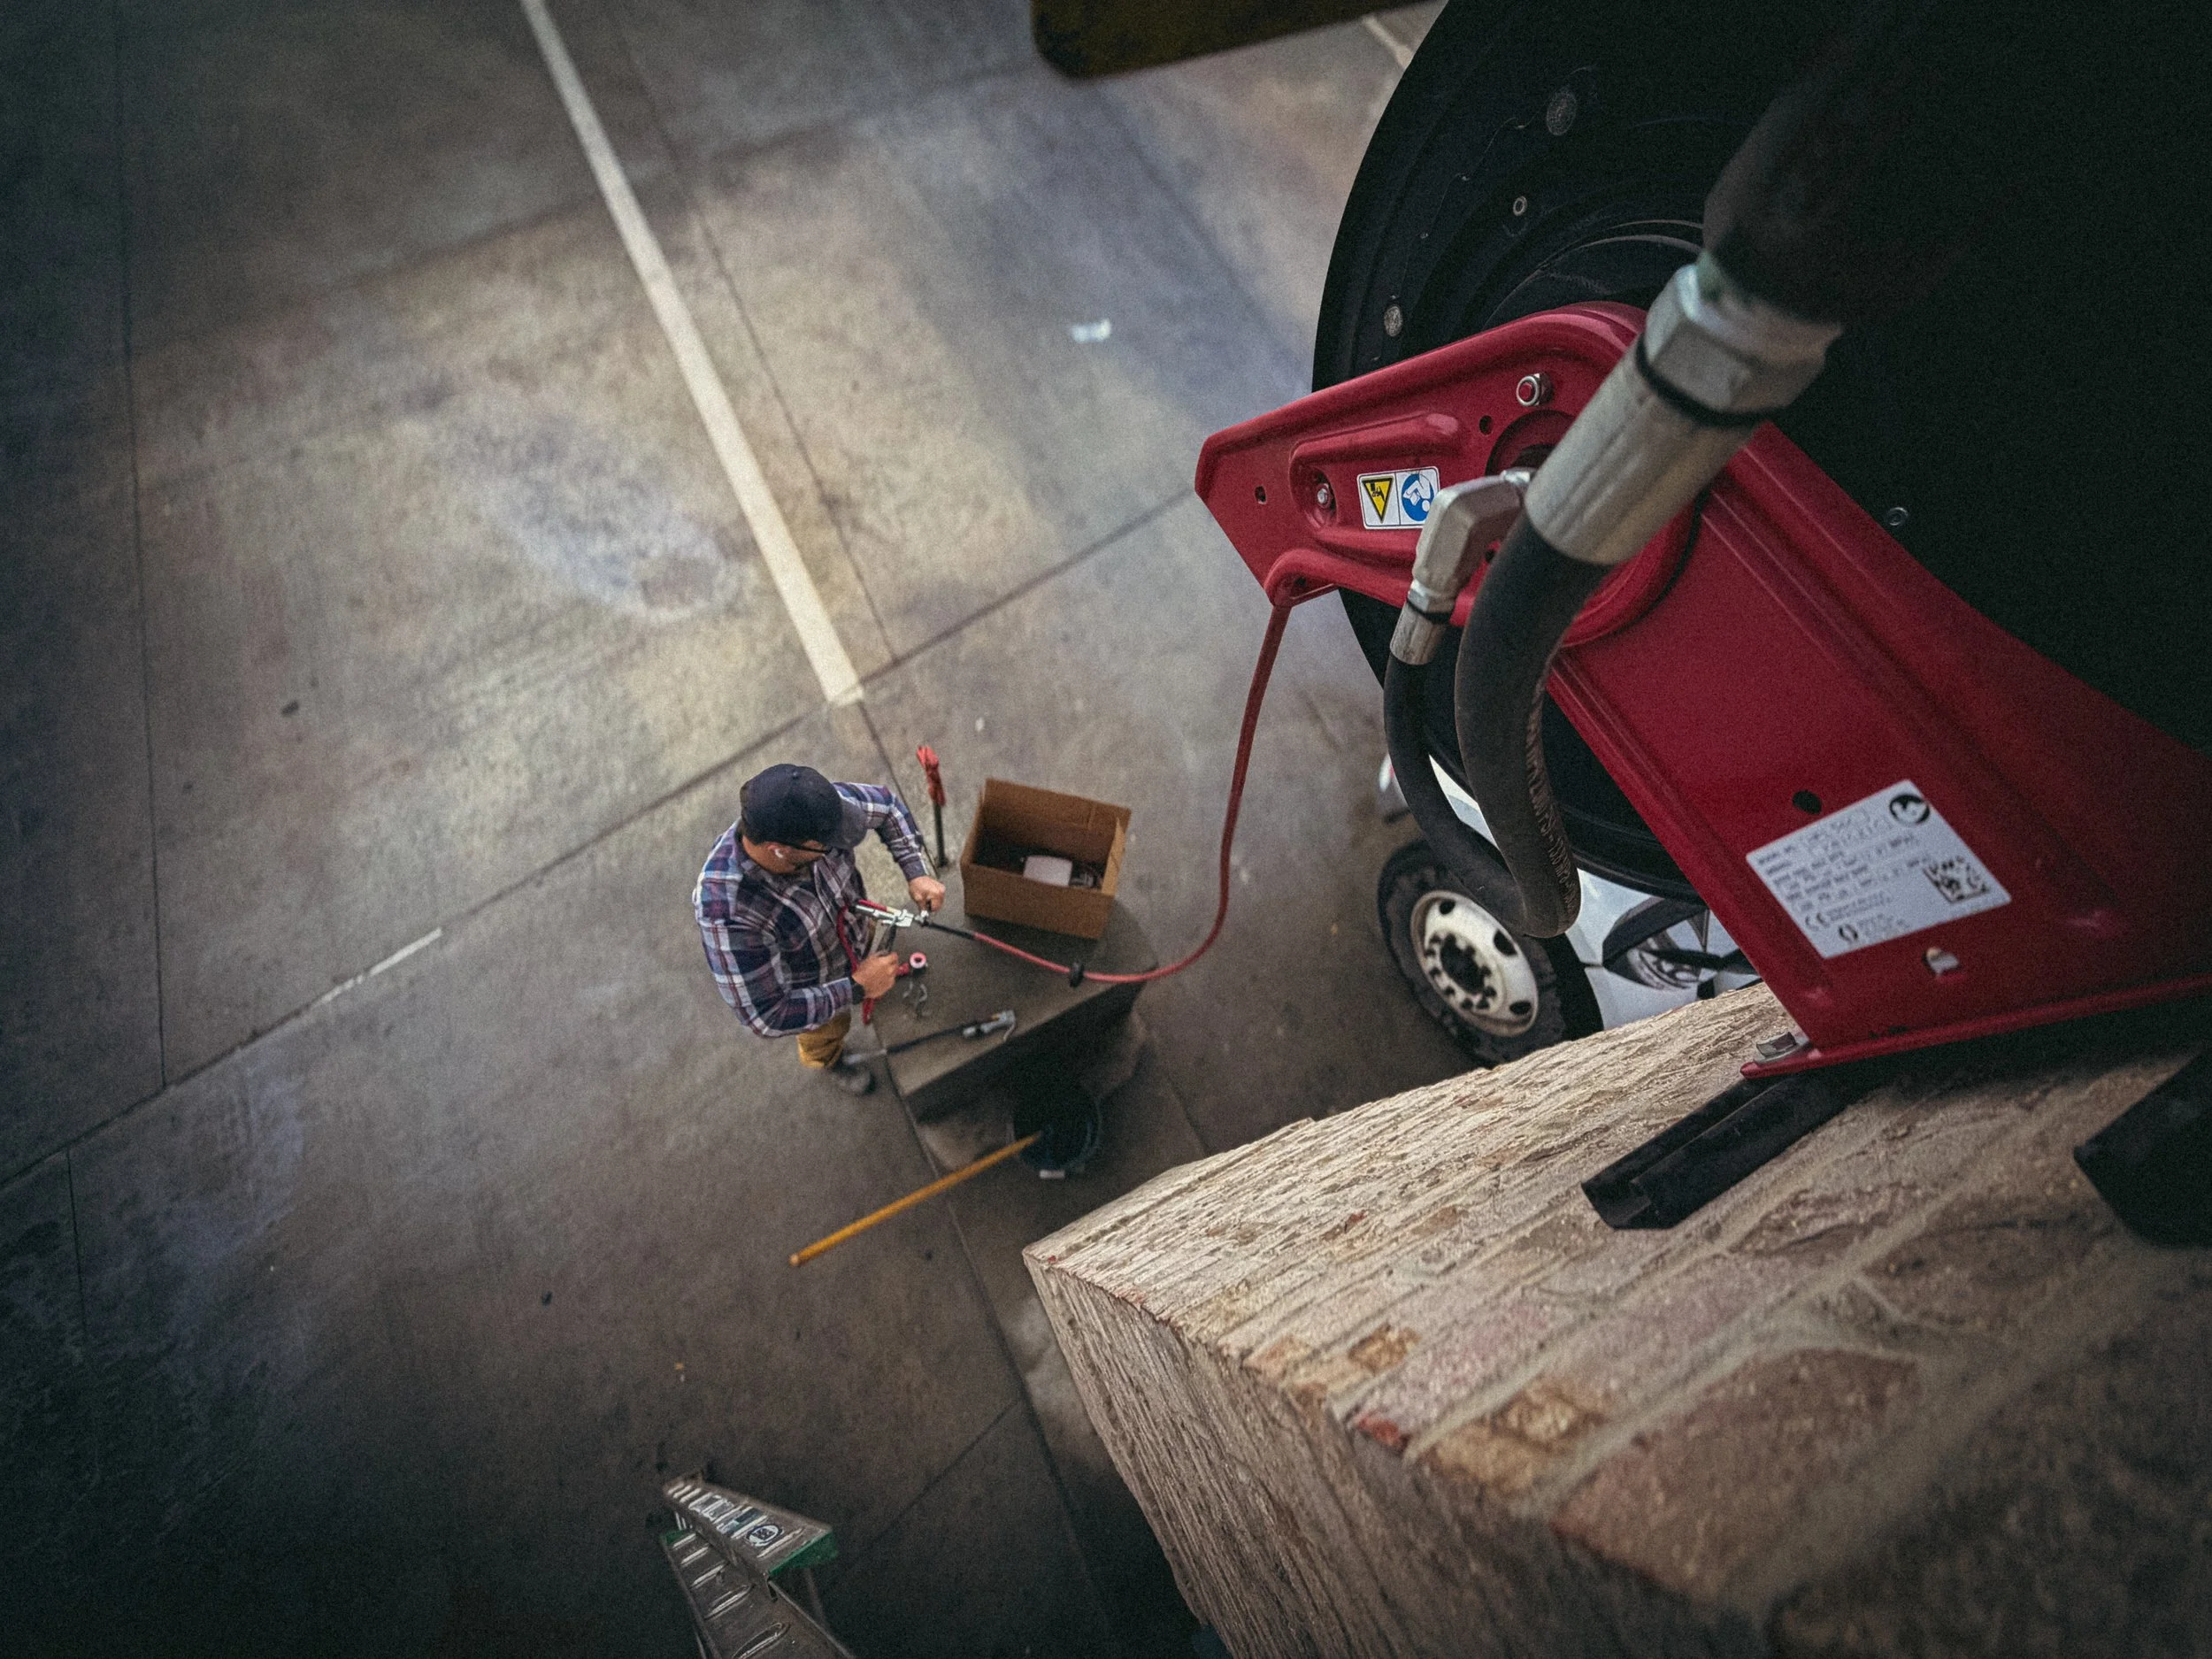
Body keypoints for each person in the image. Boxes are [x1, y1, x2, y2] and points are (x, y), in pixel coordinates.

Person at [695, 764, 946, 1094]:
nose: (838, 845)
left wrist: (917, 871)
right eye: (827, 846)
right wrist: (855, 989)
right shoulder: (727, 910)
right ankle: (832, 1060)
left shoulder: (816, 811)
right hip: (818, 990)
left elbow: (886, 807)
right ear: (779, 849)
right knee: (825, 1036)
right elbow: (766, 1015)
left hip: (856, 934)